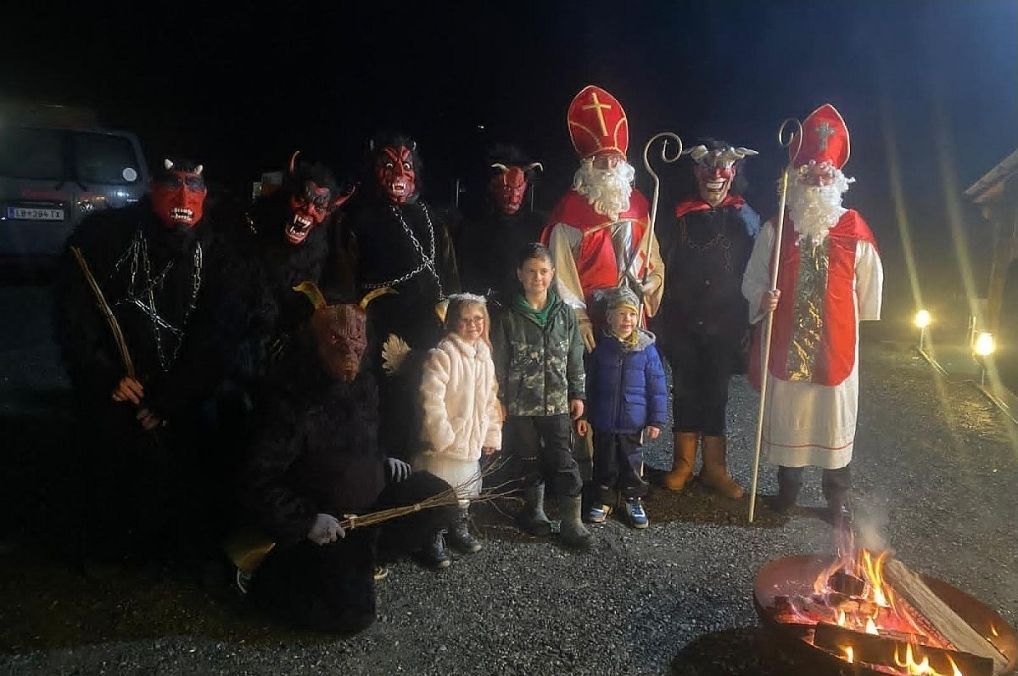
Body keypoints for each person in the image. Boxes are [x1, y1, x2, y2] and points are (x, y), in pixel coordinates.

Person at [241, 283, 453, 633]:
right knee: (353, 617)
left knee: (440, 497)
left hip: (369, 509)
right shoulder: (291, 400)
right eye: (336, 340)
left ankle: (364, 560)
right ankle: (275, 581)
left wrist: (382, 460)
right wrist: (306, 521)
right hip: (330, 525)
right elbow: (259, 478)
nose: (349, 349)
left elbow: (364, 440)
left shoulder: (364, 385)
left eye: (356, 339)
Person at [54, 157, 226, 560]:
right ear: (151, 188)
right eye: (172, 183)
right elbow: (75, 315)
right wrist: (102, 372)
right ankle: (107, 542)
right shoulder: (104, 238)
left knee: (195, 451)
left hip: (181, 390)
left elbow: (219, 332)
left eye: (194, 185)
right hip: (120, 383)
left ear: (205, 194)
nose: (183, 196)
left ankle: (178, 544)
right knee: (108, 450)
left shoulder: (219, 252)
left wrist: (175, 396)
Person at [741, 103, 883, 524]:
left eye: (825, 176)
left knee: (833, 418)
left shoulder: (854, 228)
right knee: (791, 416)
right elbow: (753, 277)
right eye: (810, 175)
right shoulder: (777, 227)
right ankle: (787, 490)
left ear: (836, 180)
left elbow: (869, 284)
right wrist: (762, 298)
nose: (818, 182)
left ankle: (837, 497)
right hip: (787, 342)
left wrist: (853, 321)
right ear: (796, 180)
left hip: (836, 344)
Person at [656, 140, 761, 498]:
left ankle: (715, 468)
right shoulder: (677, 216)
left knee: (716, 394)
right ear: (695, 172)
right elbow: (658, 262)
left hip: (726, 323)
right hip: (682, 321)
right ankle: (683, 464)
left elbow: (760, 270)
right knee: (685, 391)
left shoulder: (746, 218)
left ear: (733, 173)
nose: (714, 177)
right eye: (706, 169)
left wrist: (754, 318)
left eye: (722, 170)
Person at [541, 84, 663, 352]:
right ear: (587, 165)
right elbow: (561, 272)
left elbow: (652, 258)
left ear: (624, 163)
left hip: (631, 314)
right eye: (600, 160)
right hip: (590, 318)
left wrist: (653, 281)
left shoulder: (638, 206)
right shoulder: (569, 212)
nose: (608, 167)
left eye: (613, 159)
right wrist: (578, 316)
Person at [491, 243, 590, 547]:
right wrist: (499, 400)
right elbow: (498, 362)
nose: (538, 277)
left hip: (557, 404)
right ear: (519, 274)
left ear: (553, 273)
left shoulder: (565, 314)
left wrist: (577, 393)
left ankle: (572, 521)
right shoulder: (508, 316)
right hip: (521, 405)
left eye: (544, 271)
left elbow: (575, 356)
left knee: (563, 459)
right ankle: (534, 511)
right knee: (529, 458)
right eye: (531, 271)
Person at [416, 293, 502, 567]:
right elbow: (431, 399)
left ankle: (458, 528)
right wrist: (442, 435)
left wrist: (491, 433)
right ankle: (433, 535)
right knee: (440, 491)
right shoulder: (443, 355)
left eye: (478, 319)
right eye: (465, 320)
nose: (473, 325)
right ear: (453, 322)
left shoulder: (485, 356)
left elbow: (489, 400)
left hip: (471, 439)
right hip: (446, 443)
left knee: (463, 490)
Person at [580, 286, 667, 528]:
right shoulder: (601, 348)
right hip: (604, 420)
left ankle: (632, 498)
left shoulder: (647, 350)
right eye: (621, 314)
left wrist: (656, 420)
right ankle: (603, 498)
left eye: (631, 314)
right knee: (604, 461)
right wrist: (585, 414)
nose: (627, 319)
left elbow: (657, 386)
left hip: (632, 421)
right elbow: (590, 383)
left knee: (631, 462)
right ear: (609, 318)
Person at [457, 144, 545, 301]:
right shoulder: (474, 229)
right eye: (507, 190)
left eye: (518, 190)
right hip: (488, 305)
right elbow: (469, 278)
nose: (513, 198)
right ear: (492, 187)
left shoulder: (538, 225)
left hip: (528, 305)